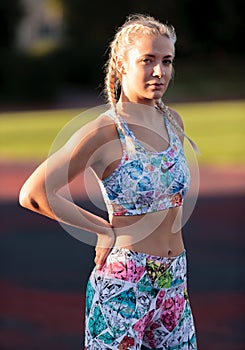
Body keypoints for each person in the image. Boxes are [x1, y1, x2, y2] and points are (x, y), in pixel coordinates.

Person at [19, 14, 198, 349]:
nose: (160, 72)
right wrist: (101, 230)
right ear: (121, 64)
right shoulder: (105, 131)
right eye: (148, 61)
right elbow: (34, 193)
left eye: (167, 61)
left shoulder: (173, 120)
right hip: (125, 284)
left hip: (175, 282)